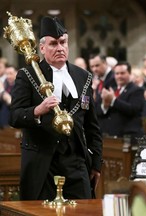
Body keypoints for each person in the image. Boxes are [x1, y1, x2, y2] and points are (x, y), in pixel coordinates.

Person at [9, 16, 103, 200]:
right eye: (53, 44)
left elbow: (92, 125)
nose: (60, 48)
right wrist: (37, 110)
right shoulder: (27, 75)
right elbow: (14, 116)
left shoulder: (83, 76)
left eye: (63, 42)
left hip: (76, 162)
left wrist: (96, 164)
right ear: (42, 48)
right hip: (42, 164)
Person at [96, 61, 144, 143]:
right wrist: (105, 105)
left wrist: (113, 100)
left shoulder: (137, 90)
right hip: (111, 136)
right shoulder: (111, 90)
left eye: (122, 73)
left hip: (129, 137)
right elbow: (99, 112)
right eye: (117, 73)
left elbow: (133, 109)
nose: (119, 76)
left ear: (129, 73)